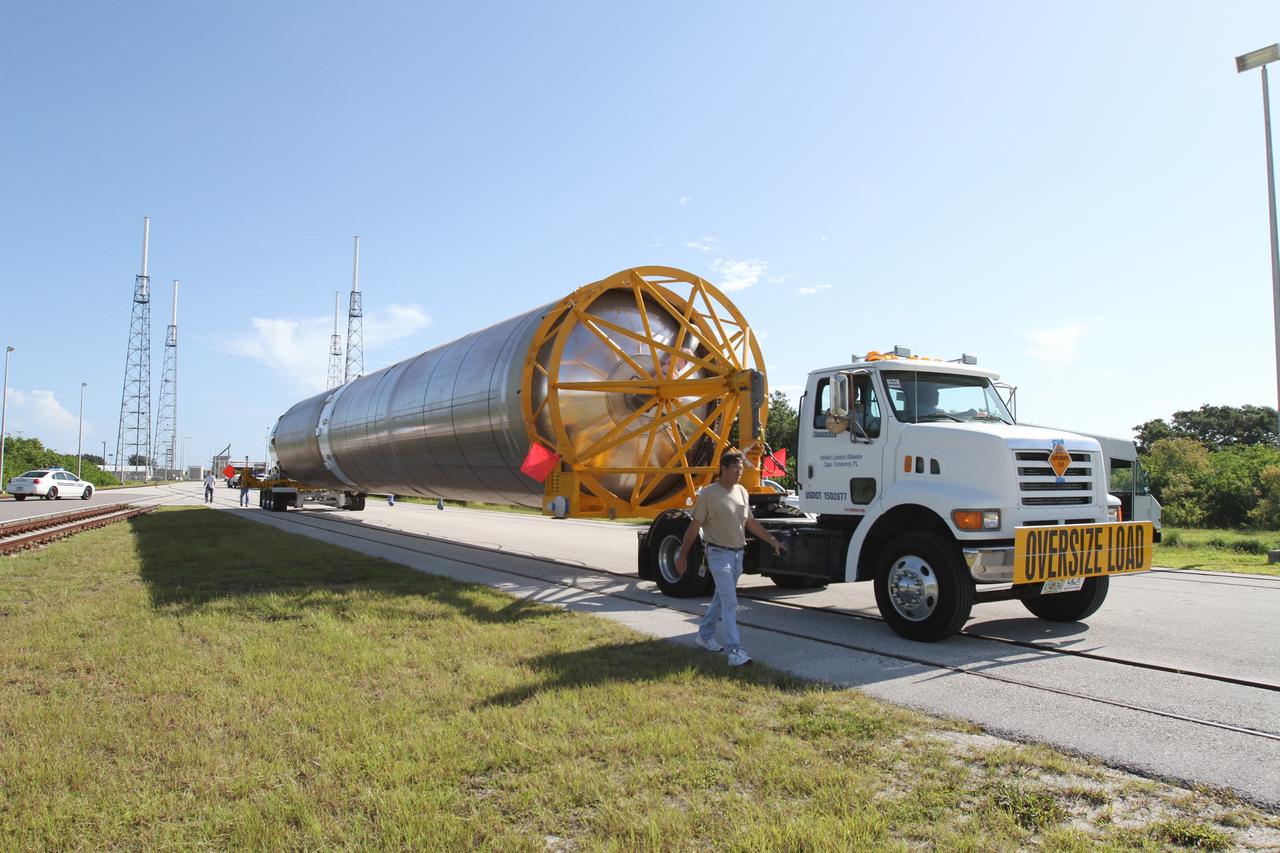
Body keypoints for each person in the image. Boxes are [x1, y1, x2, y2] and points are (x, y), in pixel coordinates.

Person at [675, 451, 784, 667]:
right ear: (723, 469)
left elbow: (750, 523)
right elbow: (694, 526)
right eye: (736, 468)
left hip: (737, 555)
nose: (739, 473)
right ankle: (735, 651)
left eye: (741, 469)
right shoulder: (709, 494)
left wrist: (772, 540)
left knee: (721, 598)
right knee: (730, 601)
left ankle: (704, 635)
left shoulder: (742, 492)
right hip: (718, 554)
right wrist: (682, 556)